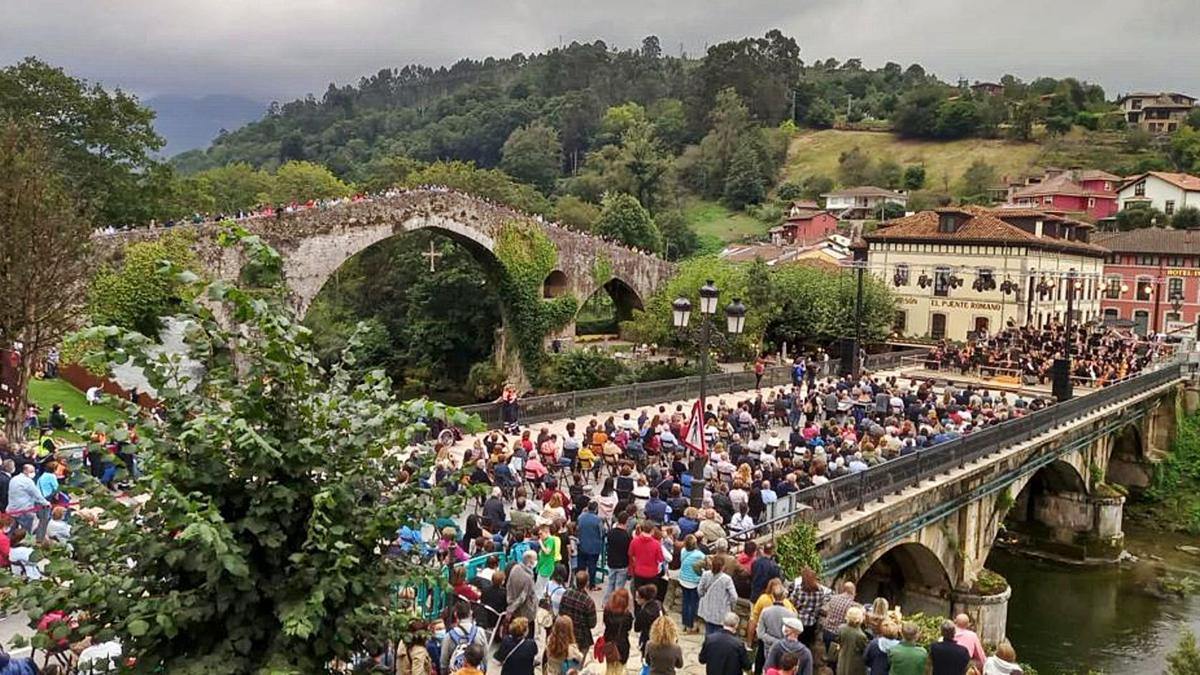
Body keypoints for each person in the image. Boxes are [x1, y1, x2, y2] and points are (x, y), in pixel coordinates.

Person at [756, 585, 798, 675]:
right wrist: (779, 642)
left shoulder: (765, 612)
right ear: (784, 597)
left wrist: (774, 641)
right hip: (784, 650)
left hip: (768, 648)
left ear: (772, 596)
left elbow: (760, 633)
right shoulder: (792, 614)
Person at [697, 555, 738, 635]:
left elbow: (699, 590)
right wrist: (731, 606)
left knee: (708, 631)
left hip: (708, 609)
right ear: (722, 567)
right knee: (720, 633)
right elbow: (734, 596)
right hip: (722, 611)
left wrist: (703, 597)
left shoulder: (706, 575)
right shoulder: (727, 579)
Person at [558, 571, 596, 654]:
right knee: (579, 661)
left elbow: (560, 612)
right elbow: (592, 624)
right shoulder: (588, 601)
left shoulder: (566, 594)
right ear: (586, 583)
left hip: (566, 631)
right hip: (581, 636)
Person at [678, 534, 707, 633]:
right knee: (693, 604)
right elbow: (707, 560)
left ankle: (684, 624)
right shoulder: (698, 554)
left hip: (683, 579)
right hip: (693, 581)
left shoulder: (683, 551)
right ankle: (690, 625)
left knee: (685, 603)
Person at [602, 588, 635, 667]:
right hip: (622, 643)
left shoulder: (607, 610)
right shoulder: (627, 616)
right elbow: (629, 628)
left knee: (610, 664)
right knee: (621, 666)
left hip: (609, 641)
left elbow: (605, 622)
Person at [629, 521, 665, 592]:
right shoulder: (656, 544)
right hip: (652, 574)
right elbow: (660, 559)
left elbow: (631, 555)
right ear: (652, 531)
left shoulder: (634, 541)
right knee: (650, 596)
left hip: (638, 572)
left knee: (638, 595)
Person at [822, 581, 857, 651]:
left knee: (828, 653)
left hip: (826, 631)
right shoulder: (851, 604)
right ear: (853, 592)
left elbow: (826, 610)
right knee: (835, 657)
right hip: (838, 635)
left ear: (843, 589)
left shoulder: (834, 598)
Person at [577, 502, 605, 588]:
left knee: (581, 566)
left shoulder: (581, 517)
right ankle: (591, 584)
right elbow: (602, 532)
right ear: (596, 509)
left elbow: (578, 529)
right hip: (594, 547)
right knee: (592, 566)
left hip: (582, 545)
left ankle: (579, 582)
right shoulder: (598, 520)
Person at [605, 513, 632, 600]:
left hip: (611, 562)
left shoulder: (610, 533)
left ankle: (606, 602)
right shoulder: (627, 536)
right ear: (626, 522)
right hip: (622, 564)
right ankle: (616, 603)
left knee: (610, 584)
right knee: (619, 586)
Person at [834, 606, 868, 675]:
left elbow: (838, 640)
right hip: (854, 665)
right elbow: (865, 651)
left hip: (842, 660)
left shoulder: (841, 628)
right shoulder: (861, 635)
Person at [507, 550, 538, 625]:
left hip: (512, 604)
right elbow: (522, 597)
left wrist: (510, 603)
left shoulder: (515, 568)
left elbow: (508, 585)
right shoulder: (528, 578)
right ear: (529, 562)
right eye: (535, 560)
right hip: (525, 612)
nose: (536, 561)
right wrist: (511, 609)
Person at [634, 584, 663, 655]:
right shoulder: (658, 604)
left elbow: (637, 628)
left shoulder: (643, 613)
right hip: (660, 636)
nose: (635, 599)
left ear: (643, 599)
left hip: (648, 639)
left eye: (638, 597)